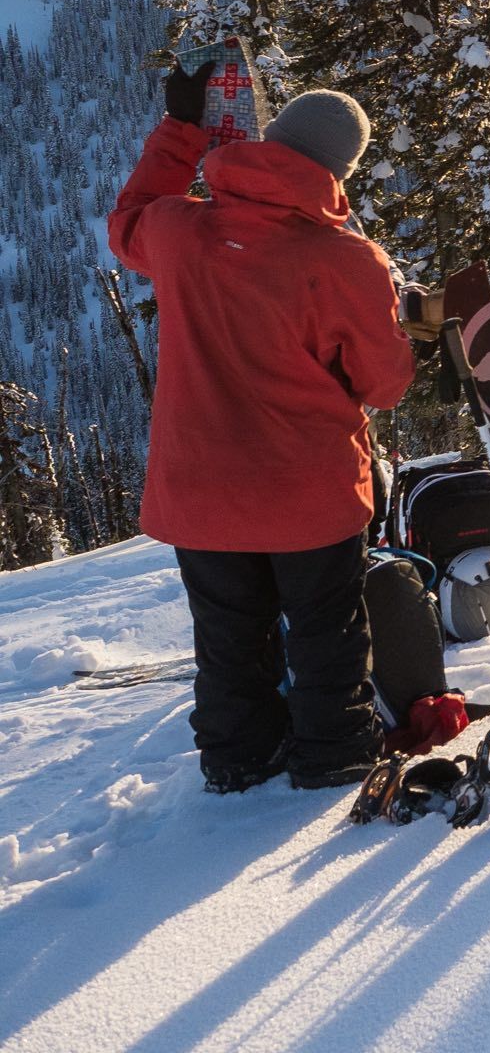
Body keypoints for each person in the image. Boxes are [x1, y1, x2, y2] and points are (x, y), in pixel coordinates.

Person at [108, 63, 417, 794]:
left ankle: (238, 761)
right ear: (338, 171)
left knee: (228, 643)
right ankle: (335, 756)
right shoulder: (347, 260)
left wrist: (180, 133)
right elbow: (386, 384)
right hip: (307, 492)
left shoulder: (181, 232)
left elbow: (128, 221)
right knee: (326, 635)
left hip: (198, 492)